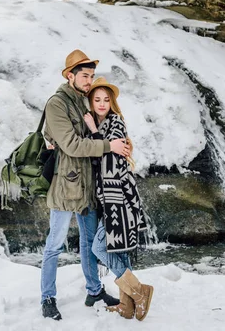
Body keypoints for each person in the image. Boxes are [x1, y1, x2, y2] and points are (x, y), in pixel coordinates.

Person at [40, 50, 131, 321]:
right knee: (54, 245)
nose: (89, 80)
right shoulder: (57, 104)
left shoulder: (84, 101)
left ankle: (94, 290)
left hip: (88, 187)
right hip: (66, 188)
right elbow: (71, 144)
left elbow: (83, 132)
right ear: (70, 76)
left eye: (91, 76)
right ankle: (47, 298)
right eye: (84, 76)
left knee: (89, 242)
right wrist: (108, 145)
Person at [84, 77, 154, 321]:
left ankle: (139, 292)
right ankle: (127, 304)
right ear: (91, 102)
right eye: (97, 99)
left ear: (111, 102)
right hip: (108, 200)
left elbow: (109, 164)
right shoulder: (98, 125)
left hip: (120, 199)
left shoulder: (115, 123)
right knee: (120, 251)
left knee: (99, 247)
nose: (102, 104)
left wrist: (94, 132)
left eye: (106, 99)